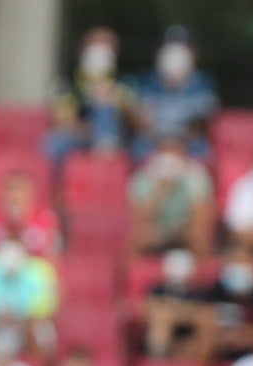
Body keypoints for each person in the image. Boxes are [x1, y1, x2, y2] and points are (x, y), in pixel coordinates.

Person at [129, 25, 217, 161]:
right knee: (139, 150)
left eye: (181, 47)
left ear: (193, 53)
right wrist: (163, 143)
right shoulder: (147, 81)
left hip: (189, 144)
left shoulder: (202, 83)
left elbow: (203, 123)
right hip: (153, 142)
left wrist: (178, 145)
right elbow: (140, 121)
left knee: (202, 152)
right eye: (169, 47)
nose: (175, 53)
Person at [46, 26, 131, 163]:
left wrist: (112, 100)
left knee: (106, 110)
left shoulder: (124, 84)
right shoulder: (66, 83)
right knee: (55, 142)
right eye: (96, 45)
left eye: (106, 47)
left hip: (117, 141)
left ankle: (105, 161)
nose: (100, 53)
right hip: (79, 136)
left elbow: (132, 121)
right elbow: (65, 121)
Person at [127, 135, 214, 257]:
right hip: (157, 230)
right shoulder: (142, 178)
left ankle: (202, 268)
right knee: (138, 237)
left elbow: (201, 214)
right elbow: (141, 217)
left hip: (185, 229)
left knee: (199, 235)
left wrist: (180, 230)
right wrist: (162, 189)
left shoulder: (197, 176)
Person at [0, 171, 62, 261]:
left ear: (31, 195)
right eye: (10, 191)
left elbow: (53, 258)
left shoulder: (47, 220)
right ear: (2, 194)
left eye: (21, 192)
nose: (15, 197)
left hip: (32, 268)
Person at [142, 247, 214, 360]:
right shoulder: (158, 290)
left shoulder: (199, 293)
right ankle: (159, 359)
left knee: (206, 322)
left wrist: (176, 312)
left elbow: (202, 313)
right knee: (160, 322)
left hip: (189, 335)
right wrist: (184, 312)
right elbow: (151, 311)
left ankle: (195, 360)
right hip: (168, 337)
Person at [203, 244, 253, 361]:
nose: (240, 267)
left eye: (244, 261)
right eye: (236, 261)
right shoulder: (217, 290)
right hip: (220, 345)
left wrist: (249, 334)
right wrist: (223, 336)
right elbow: (206, 317)